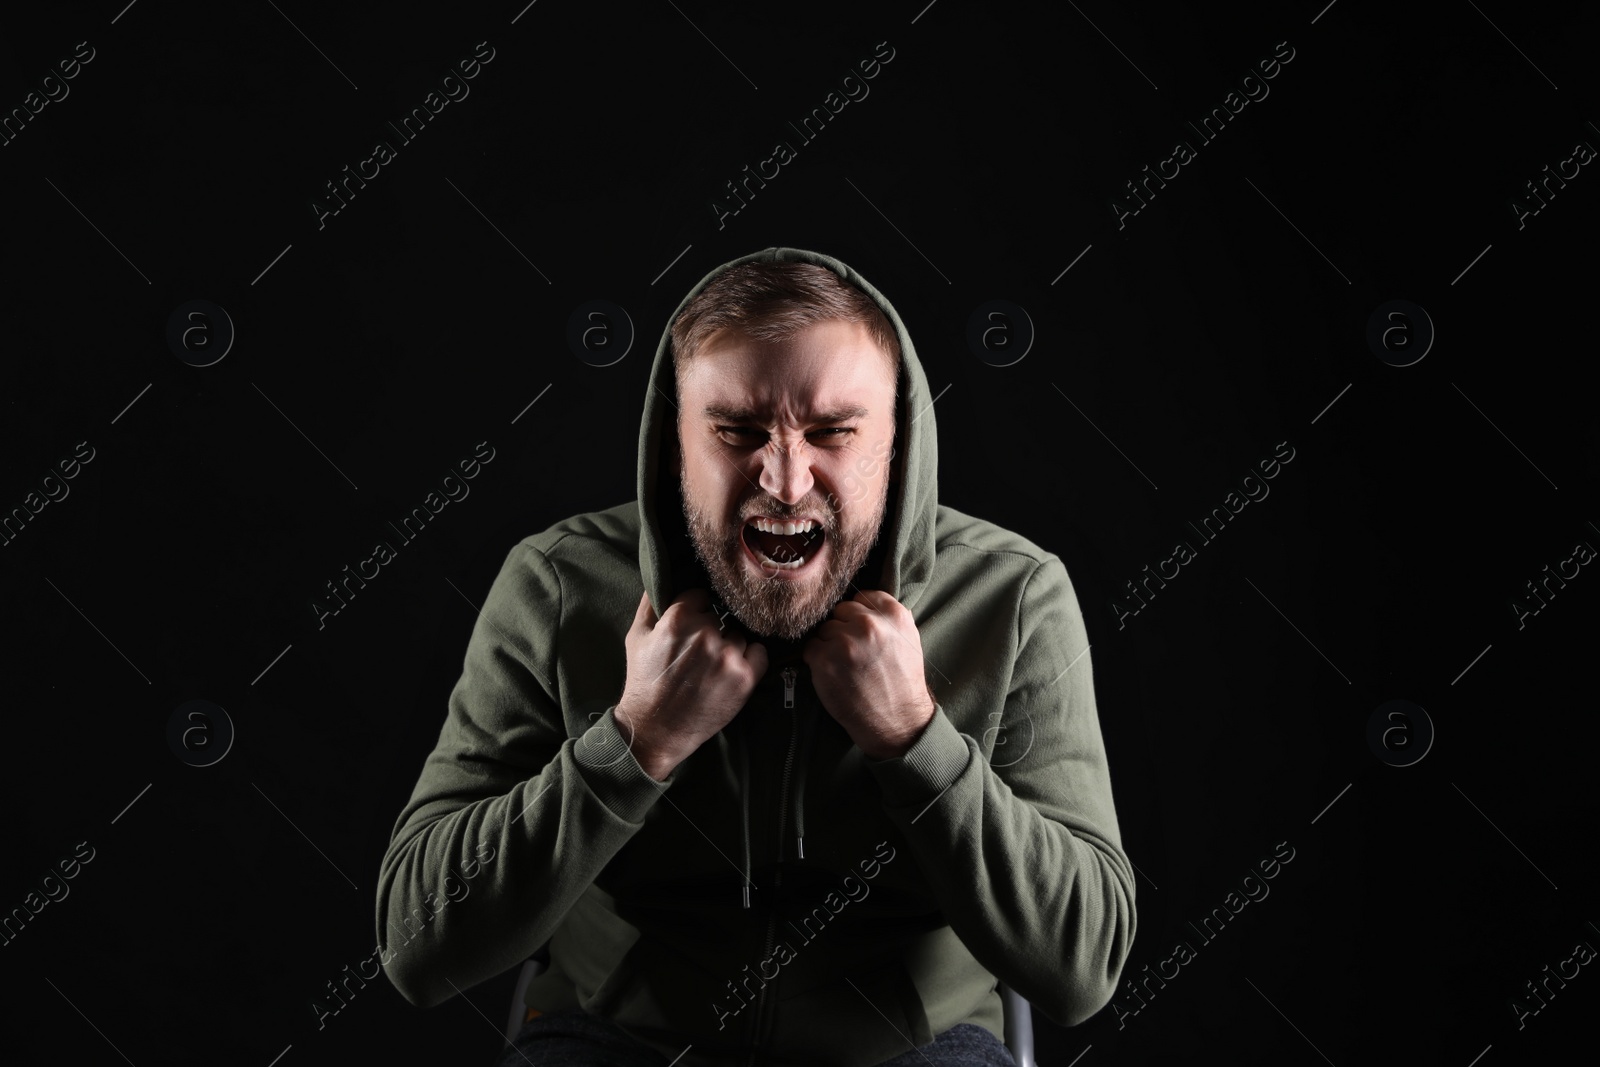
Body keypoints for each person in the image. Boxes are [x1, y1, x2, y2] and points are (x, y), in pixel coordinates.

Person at [374, 247, 1137, 1066]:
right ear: (674, 446)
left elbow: (1082, 966)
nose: (783, 479)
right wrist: (634, 741)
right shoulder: (558, 585)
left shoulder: (1014, 599)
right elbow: (416, 950)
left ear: (898, 443)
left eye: (833, 432)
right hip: (616, 1038)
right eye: (736, 431)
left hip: (907, 1049)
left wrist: (916, 740)